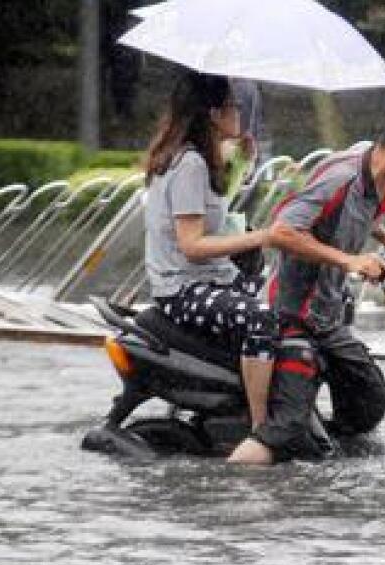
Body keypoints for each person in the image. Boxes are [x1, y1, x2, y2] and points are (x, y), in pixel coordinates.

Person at [227, 95, 385, 465]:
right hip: (291, 319)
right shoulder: (341, 177)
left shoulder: (379, 171)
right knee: (284, 430)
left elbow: (356, 212)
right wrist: (350, 261)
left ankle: (324, 459)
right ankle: (234, 489)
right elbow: (281, 231)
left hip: (328, 318)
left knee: (372, 398)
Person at [142, 71, 277, 445]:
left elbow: (215, 209)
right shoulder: (190, 164)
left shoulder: (196, 157)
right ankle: (260, 426)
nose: (241, 112)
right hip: (184, 288)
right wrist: (261, 236)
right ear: (214, 113)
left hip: (205, 279)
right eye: (235, 105)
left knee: (279, 299)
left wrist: (240, 164)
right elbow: (192, 244)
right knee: (262, 318)